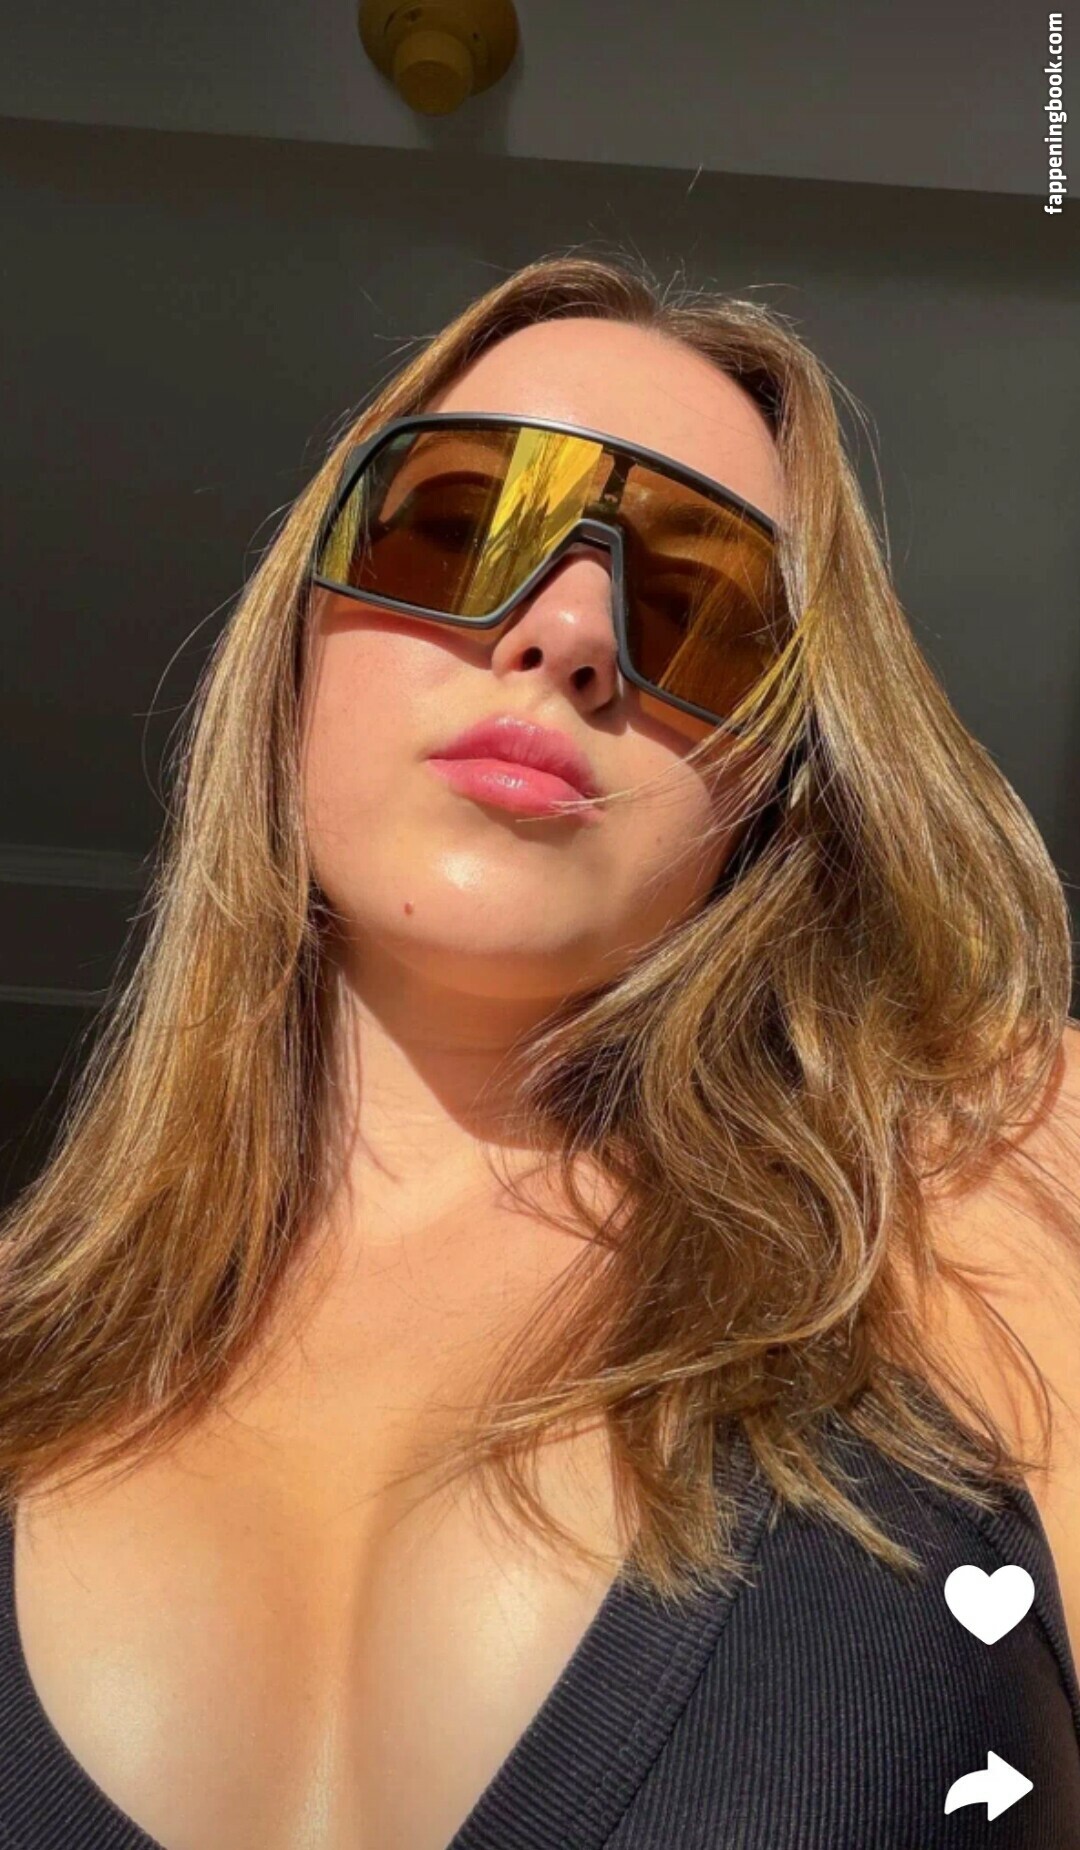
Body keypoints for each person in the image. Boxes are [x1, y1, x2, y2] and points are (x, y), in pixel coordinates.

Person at [0, 252, 1078, 1850]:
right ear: (300, 639)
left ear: (764, 780)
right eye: (458, 525)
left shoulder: (989, 1176)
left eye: (697, 608)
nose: (572, 632)